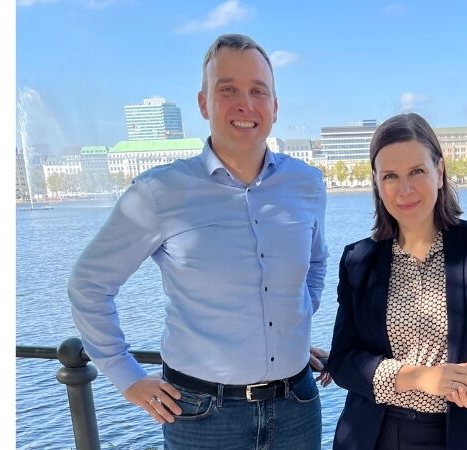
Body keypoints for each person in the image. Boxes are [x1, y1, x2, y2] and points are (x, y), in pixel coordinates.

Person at [67, 34, 330, 449]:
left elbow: (315, 263)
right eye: (228, 90)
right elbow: (89, 285)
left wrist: (291, 322)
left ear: (275, 107)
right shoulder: (159, 192)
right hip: (203, 416)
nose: (245, 103)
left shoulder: (307, 184)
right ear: (204, 103)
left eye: (258, 90)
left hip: (296, 406)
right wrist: (126, 375)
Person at [326, 113, 467, 450]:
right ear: (376, 183)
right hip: (376, 434)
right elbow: (343, 360)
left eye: (417, 171)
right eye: (390, 176)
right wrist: (417, 377)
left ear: (440, 172)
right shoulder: (358, 260)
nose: (405, 189)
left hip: (465, 434)